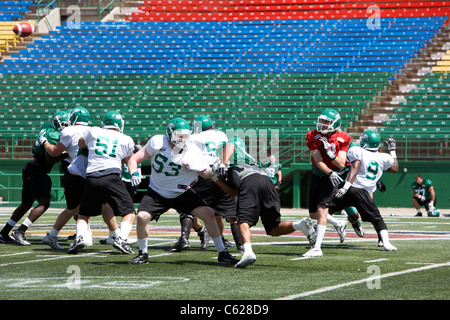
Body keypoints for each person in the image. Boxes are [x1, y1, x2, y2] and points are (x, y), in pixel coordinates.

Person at [126, 118, 239, 265]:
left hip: (181, 192)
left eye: (185, 135)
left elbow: (205, 173)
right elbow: (134, 159)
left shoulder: (192, 150)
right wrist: (134, 172)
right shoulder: (157, 142)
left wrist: (215, 170)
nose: (182, 139)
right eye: (179, 135)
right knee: (141, 217)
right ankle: (143, 254)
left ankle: (222, 253)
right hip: (157, 191)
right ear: (169, 133)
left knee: (209, 214)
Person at [213, 137, 316, 268]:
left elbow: (231, 143)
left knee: (243, 220)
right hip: (267, 182)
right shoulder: (250, 161)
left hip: (249, 182)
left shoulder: (233, 157)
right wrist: (215, 179)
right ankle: (299, 225)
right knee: (274, 228)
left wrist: (222, 164)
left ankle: (248, 252)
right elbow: (234, 192)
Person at [318, 130, 399, 253]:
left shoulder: (357, 151)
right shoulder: (383, 157)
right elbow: (395, 169)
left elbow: (355, 169)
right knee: (377, 219)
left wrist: (345, 187)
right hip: (361, 191)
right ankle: (385, 242)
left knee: (326, 210)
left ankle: (324, 229)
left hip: (349, 187)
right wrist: (392, 151)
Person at [67, 111, 136, 255]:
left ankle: (79, 237)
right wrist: (134, 172)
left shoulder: (93, 131)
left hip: (91, 177)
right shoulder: (125, 139)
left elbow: (81, 143)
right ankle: (121, 239)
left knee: (84, 214)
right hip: (111, 176)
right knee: (129, 211)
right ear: (119, 124)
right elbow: (130, 159)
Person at [171, 115, 240, 253]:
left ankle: (185, 238)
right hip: (221, 172)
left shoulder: (195, 138)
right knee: (230, 214)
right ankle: (241, 244)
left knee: (189, 205)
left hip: (204, 172)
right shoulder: (221, 134)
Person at [0, 111, 69, 245]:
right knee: (45, 202)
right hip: (37, 171)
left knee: (26, 204)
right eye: (64, 124)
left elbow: (35, 149)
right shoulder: (54, 134)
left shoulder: (46, 128)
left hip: (31, 168)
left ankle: (4, 233)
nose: (66, 127)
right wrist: (67, 155)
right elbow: (50, 158)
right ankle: (20, 231)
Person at [42, 107, 93, 249]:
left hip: (76, 172)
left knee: (78, 207)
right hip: (84, 172)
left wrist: (45, 141)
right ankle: (113, 235)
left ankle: (57, 235)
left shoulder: (69, 131)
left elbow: (54, 152)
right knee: (80, 207)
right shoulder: (94, 130)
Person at [304, 108, 350, 257]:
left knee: (322, 210)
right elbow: (318, 161)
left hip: (333, 175)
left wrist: (331, 154)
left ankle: (317, 248)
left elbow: (341, 163)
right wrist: (329, 172)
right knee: (313, 214)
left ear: (335, 124)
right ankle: (339, 223)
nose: (322, 124)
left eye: (326, 122)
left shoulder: (344, 137)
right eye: (321, 121)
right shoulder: (312, 135)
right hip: (321, 173)